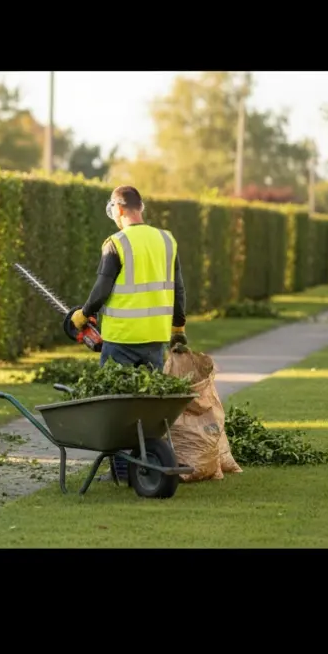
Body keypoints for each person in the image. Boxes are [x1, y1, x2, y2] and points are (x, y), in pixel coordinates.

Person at [69, 185, 187, 482]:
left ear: (119, 209)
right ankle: (144, 463)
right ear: (140, 207)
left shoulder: (116, 242)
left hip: (120, 339)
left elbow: (102, 288)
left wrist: (82, 315)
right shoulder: (166, 240)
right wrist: (178, 328)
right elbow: (179, 289)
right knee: (146, 407)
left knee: (116, 406)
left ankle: (121, 470)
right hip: (155, 339)